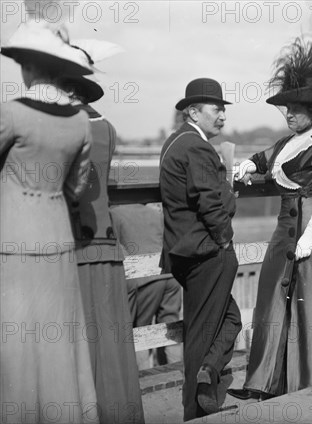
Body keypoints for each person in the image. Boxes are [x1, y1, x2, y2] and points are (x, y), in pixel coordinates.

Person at [228, 37, 312, 400]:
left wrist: (309, 236)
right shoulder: (285, 144)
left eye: (295, 109)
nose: (289, 114)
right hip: (284, 231)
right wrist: (244, 167)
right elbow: (260, 160)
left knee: (310, 304)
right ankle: (263, 382)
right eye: (287, 109)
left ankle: (308, 378)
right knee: (271, 300)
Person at [0, 21, 98, 423]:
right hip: (57, 238)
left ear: (27, 67)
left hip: (14, 238)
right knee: (60, 340)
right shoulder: (79, 121)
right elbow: (76, 188)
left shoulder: (11, 114)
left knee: (17, 342)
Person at [59, 41, 145, 423]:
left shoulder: (63, 128)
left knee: (78, 341)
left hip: (74, 246)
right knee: (113, 343)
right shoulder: (105, 128)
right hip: (107, 246)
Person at [159, 78, 241, 420]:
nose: (222, 115)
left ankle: (207, 375)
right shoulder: (198, 147)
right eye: (216, 109)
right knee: (205, 332)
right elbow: (211, 204)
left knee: (224, 320)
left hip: (182, 252)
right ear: (193, 111)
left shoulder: (173, 142)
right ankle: (195, 409)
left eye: (223, 108)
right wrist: (225, 239)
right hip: (207, 252)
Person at [110, 203, 183, 369]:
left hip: (144, 279)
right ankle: (176, 373)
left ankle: (143, 381)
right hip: (169, 275)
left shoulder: (114, 213)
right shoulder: (155, 213)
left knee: (139, 331)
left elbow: (117, 249)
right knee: (171, 328)